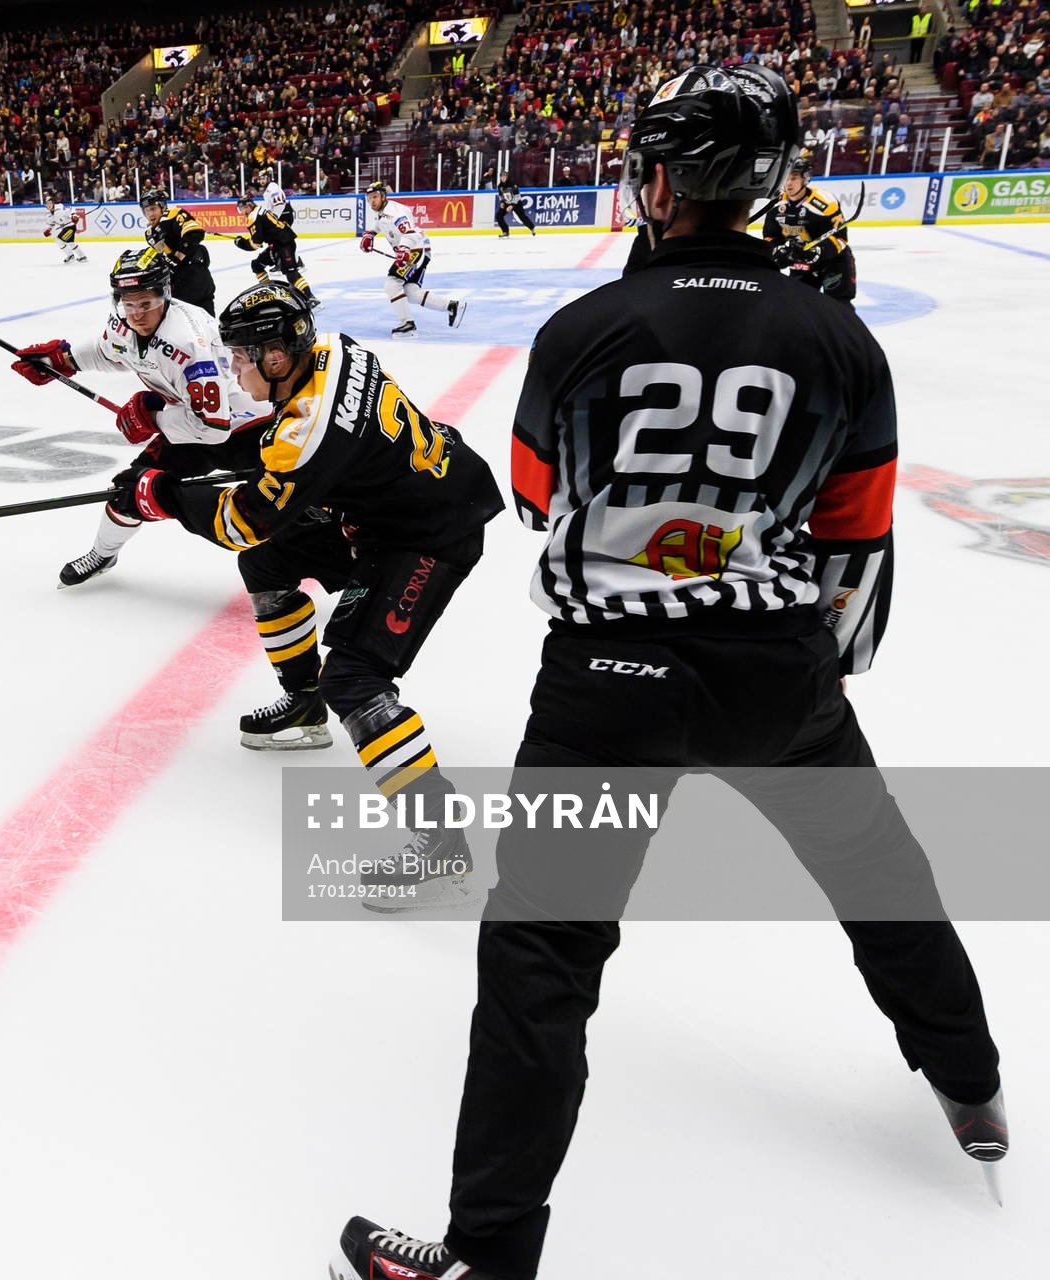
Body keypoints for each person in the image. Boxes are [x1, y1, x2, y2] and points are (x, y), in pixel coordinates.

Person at [334, 65, 1004, 1280]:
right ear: (769, 186)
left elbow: (540, 496)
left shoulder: (585, 329)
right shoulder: (838, 338)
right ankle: (971, 1081)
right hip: (775, 677)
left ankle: (489, 1253)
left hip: (609, 679)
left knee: (543, 955)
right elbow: (857, 536)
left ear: (655, 181)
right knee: (880, 875)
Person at [106, 281, 503, 823]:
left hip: (428, 531)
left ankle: (439, 840)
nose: (234, 369)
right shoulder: (332, 350)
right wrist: (183, 463)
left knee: (355, 676)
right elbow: (283, 442)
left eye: (242, 356)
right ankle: (304, 704)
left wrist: (164, 496)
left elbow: (244, 519)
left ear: (275, 356)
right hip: (395, 499)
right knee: (267, 564)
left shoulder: (308, 429)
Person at [10, 254, 344, 751]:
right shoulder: (127, 320)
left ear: (164, 295)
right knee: (130, 488)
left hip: (245, 427)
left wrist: (152, 418)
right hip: (185, 417)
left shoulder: (193, 343)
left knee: (286, 507)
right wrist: (62, 359)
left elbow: (210, 431)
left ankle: (343, 563)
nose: (136, 312)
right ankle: (104, 553)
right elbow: (111, 349)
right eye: (128, 302)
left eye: (145, 302)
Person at [361, 181, 466, 336]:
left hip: (415, 250)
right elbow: (378, 223)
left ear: (383, 196)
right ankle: (452, 306)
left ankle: (407, 323)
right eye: (369, 198)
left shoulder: (395, 212)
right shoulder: (382, 211)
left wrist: (403, 249)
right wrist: (370, 234)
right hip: (418, 249)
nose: (372, 201)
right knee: (411, 292)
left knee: (392, 285)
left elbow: (411, 233)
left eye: (375, 197)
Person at [763, 158, 856, 303]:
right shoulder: (776, 207)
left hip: (834, 262)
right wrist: (778, 252)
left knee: (840, 308)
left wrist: (818, 251)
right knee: (798, 307)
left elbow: (840, 239)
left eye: (793, 178)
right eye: (786, 178)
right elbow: (770, 238)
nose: (788, 183)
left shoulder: (825, 202)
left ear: (805, 179)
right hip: (801, 262)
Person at [138, 187, 216, 315]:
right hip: (176, 284)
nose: (150, 214)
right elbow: (162, 255)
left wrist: (177, 258)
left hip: (196, 277)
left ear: (162, 206)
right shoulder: (150, 234)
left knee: (206, 322)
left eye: (153, 209)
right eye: (146, 211)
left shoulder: (173, 214)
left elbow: (194, 233)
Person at [233, 192, 317, 307]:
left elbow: (255, 244)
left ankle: (310, 297)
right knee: (257, 265)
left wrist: (241, 243)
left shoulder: (253, 216)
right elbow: (262, 235)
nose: (242, 212)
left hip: (284, 243)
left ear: (247, 206)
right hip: (276, 245)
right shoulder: (259, 209)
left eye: (242, 209)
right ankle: (269, 292)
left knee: (291, 273)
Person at [42, 196, 87, 264]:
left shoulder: (60, 207)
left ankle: (71, 256)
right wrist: (48, 230)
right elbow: (52, 224)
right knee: (70, 243)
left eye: (50, 203)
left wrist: (74, 216)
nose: (49, 205)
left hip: (71, 226)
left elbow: (71, 209)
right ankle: (82, 256)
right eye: (47, 203)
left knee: (59, 240)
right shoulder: (48, 215)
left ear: (53, 203)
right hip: (65, 228)